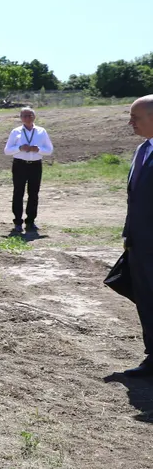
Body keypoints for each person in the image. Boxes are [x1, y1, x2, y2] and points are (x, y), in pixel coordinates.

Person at [121, 95, 153, 377]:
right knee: (146, 298)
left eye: (136, 117)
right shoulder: (143, 150)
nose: (130, 123)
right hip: (140, 243)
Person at [3, 107, 53, 234]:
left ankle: (30, 221)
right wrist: (19, 148)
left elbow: (50, 150)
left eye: (30, 115)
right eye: (24, 115)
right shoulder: (16, 132)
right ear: (20, 118)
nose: (27, 118)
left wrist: (39, 150)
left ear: (34, 117)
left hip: (35, 165)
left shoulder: (41, 131)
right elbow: (7, 150)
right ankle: (18, 222)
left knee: (34, 193)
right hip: (20, 165)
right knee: (18, 193)